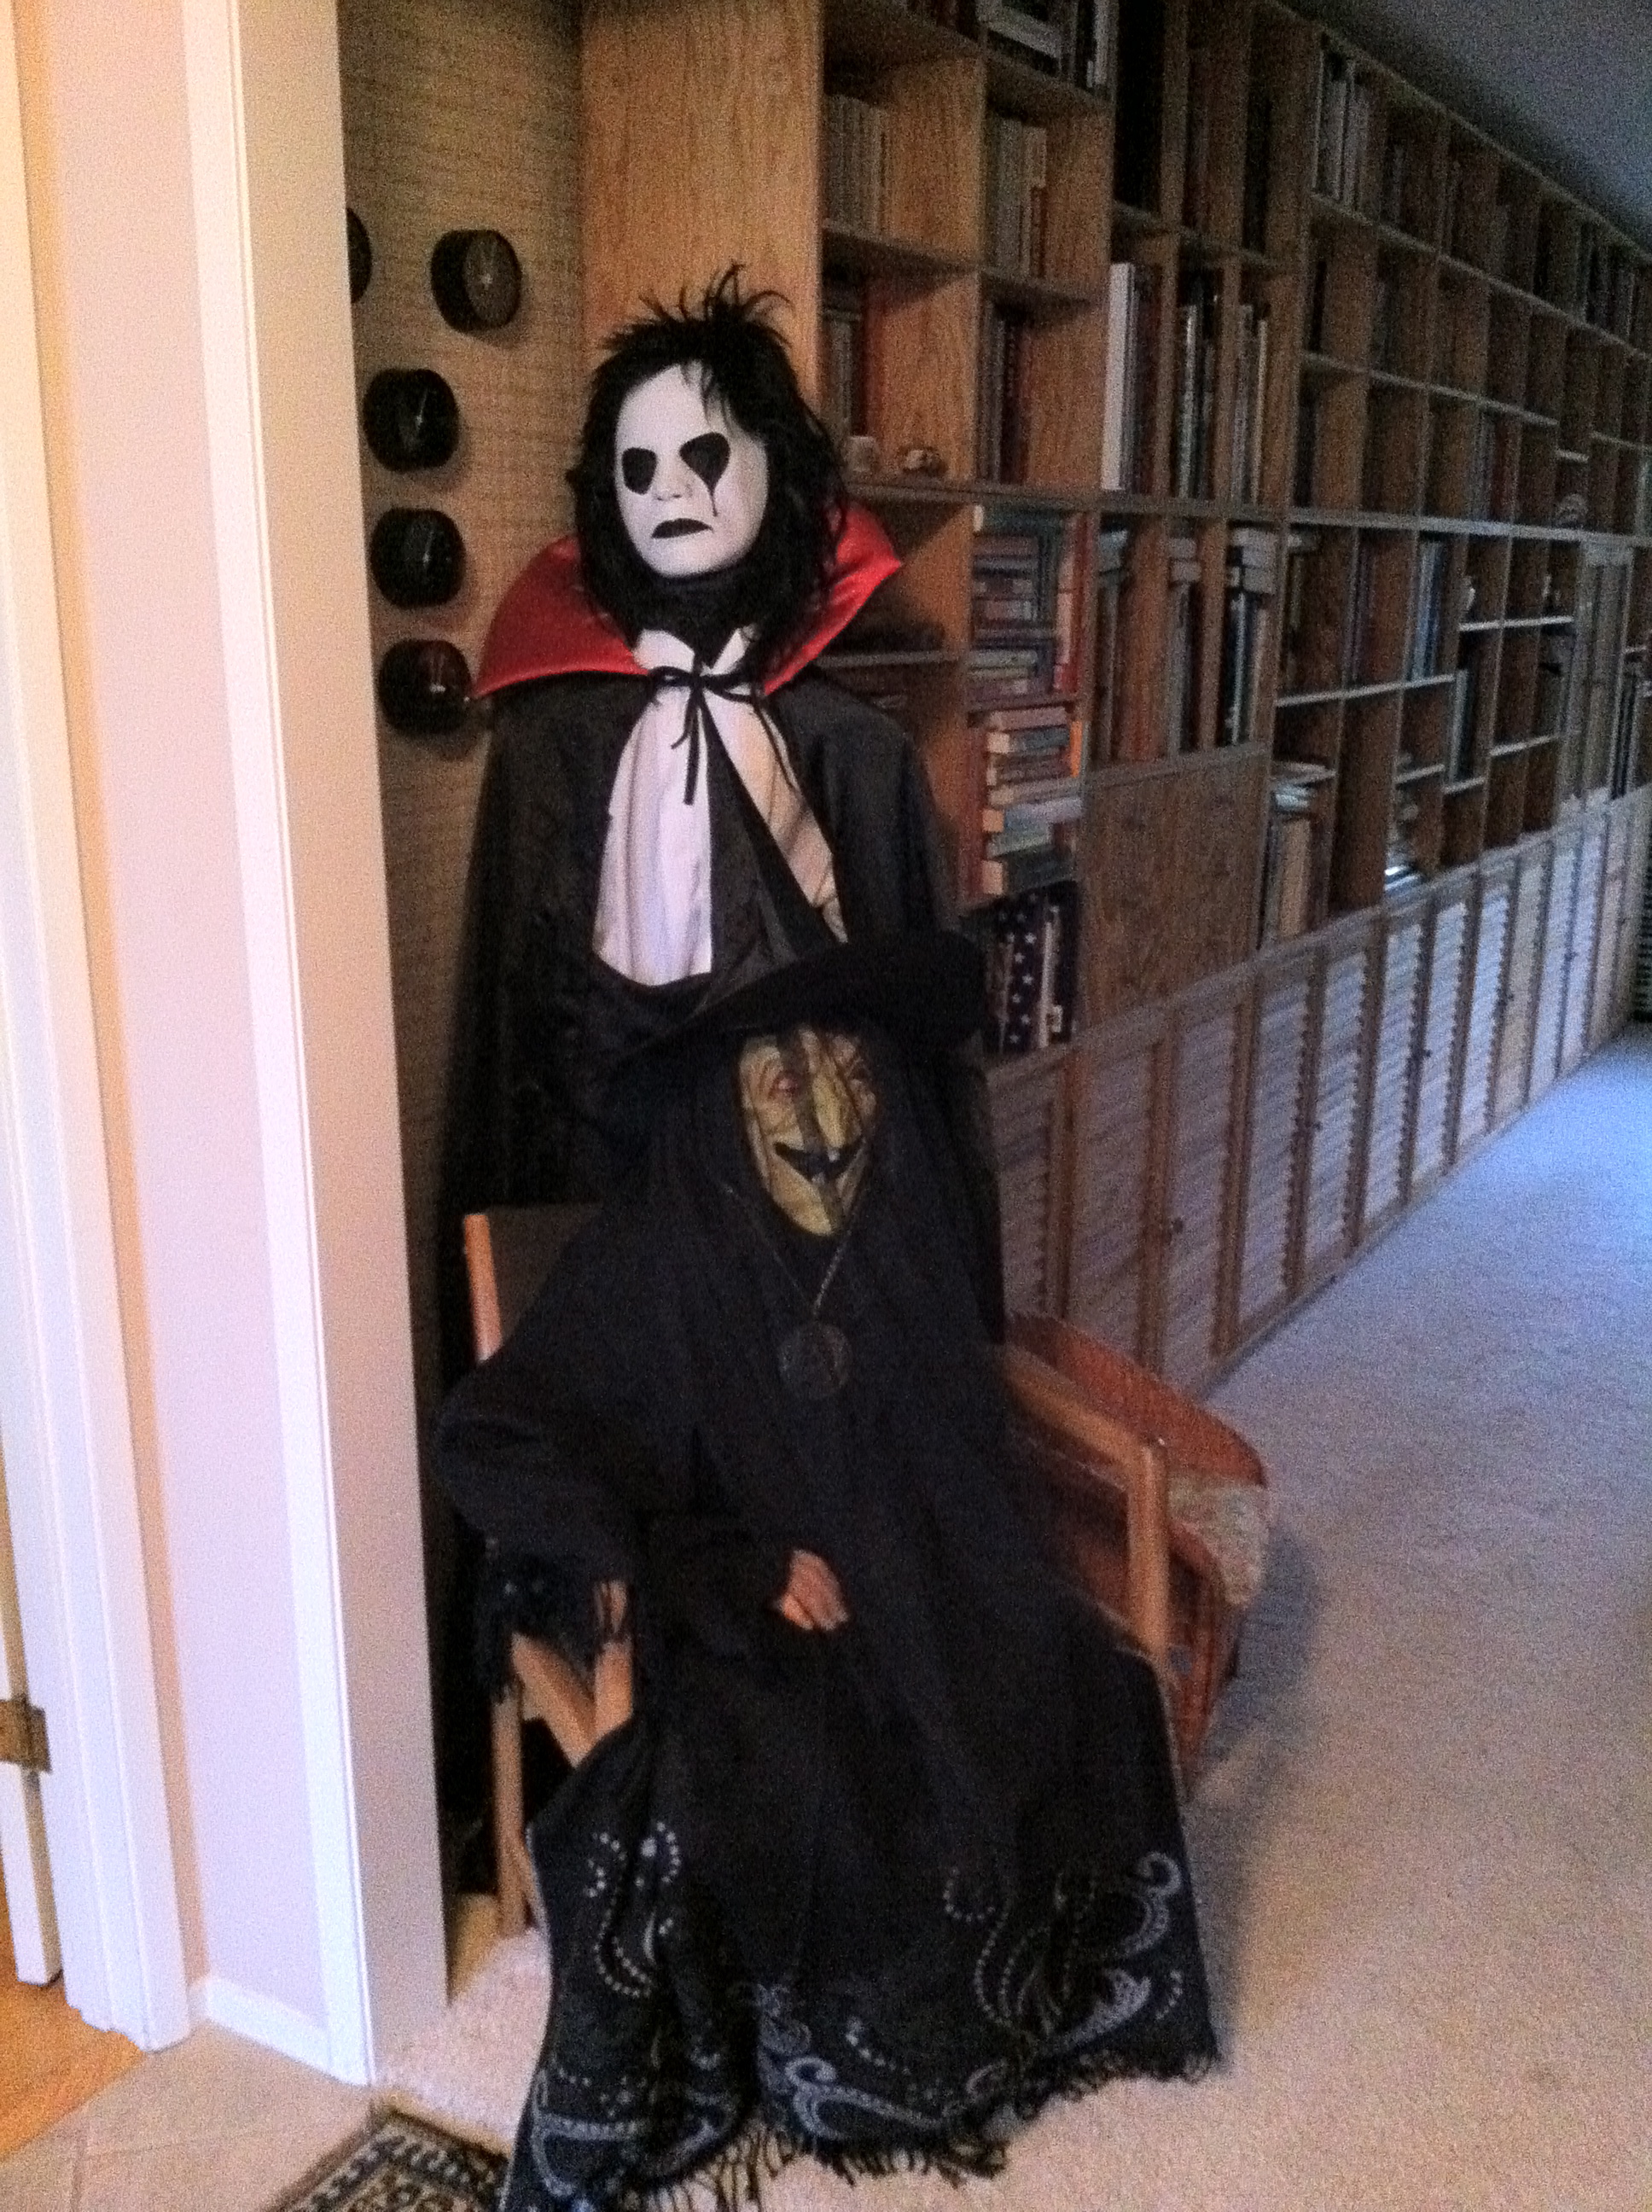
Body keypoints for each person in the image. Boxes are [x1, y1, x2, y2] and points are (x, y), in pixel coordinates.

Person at [435, 931, 1216, 2211]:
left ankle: (995, 2015)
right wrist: (711, 1562)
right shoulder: (651, 1255)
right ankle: (839, 2065)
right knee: (786, 1771)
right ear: (726, 1103)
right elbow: (490, 1440)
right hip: (730, 1593)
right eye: (782, 1075)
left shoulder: (894, 1233)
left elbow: (941, 1428)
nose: (823, 1108)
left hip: (901, 1559)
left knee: (1076, 1682)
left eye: (845, 1065)